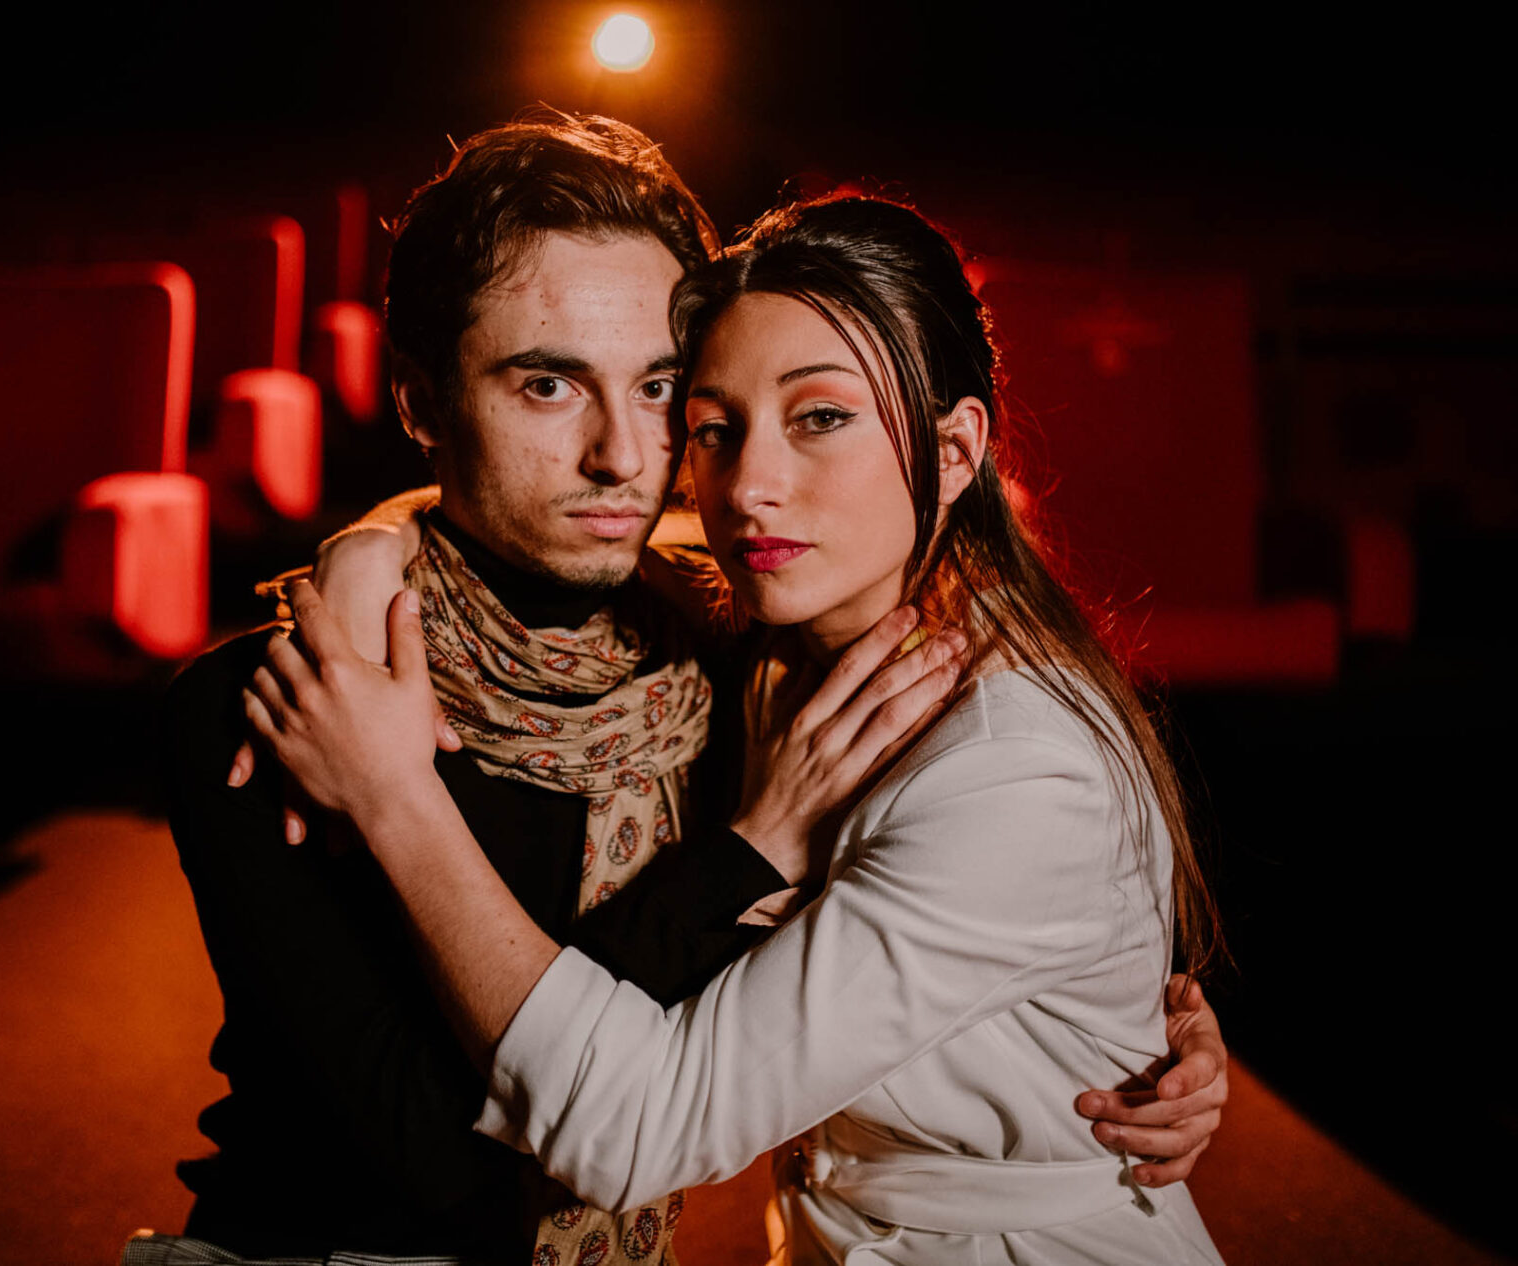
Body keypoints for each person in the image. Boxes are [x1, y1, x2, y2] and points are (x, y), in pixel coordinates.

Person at [153, 113, 1225, 1266]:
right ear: (419, 404)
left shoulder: (719, 665)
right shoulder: (295, 697)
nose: (624, 455)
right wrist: (365, 559)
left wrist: (1115, 1023)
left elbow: (945, 919)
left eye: (662, 390)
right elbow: (434, 1144)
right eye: (549, 386)